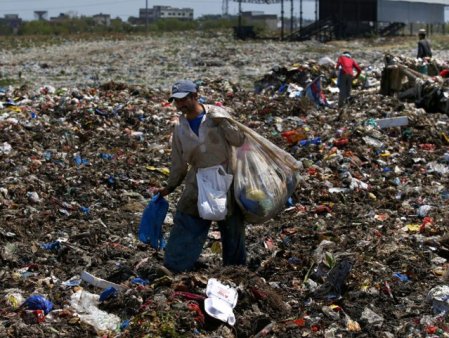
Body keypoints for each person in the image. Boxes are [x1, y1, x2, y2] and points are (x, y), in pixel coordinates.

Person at [155, 80, 247, 273]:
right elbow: (178, 162)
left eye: (184, 100)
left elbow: (239, 140)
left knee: (231, 227)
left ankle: (235, 270)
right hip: (198, 179)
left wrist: (224, 122)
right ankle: (175, 267)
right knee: (186, 219)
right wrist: (170, 187)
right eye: (176, 102)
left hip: (225, 177)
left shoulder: (216, 115)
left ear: (195, 96)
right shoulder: (180, 128)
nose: (180, 105)